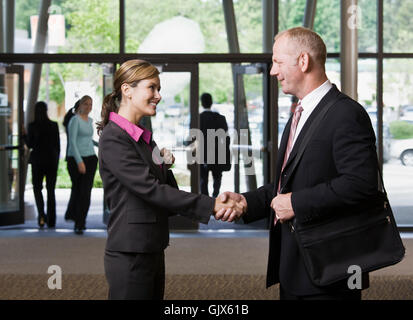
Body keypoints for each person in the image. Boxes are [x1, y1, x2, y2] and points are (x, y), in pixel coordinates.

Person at [219, 27, 379, 300]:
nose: (272, 71)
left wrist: (295, 203)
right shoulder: (300, 114)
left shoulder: (346, 114)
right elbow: (287, 185)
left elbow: (361, 185)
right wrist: (246, 202)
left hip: (330, 270)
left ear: (303, 62)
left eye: (278, 62)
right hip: (296, 267)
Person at [97, 59, 242, 300]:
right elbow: (151, 190)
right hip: (130, 252)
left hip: (149, 246)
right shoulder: (114, 137)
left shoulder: (141, 136)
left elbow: (161, 187)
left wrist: (163, 164)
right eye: (152, 87)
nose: (158, 95)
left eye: (159, 89)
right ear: (127, 90)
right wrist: (212, 205)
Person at [65, 95, 98, 235]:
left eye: (90, 104)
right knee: (79, 191)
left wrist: (100, 144)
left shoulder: (90, 120)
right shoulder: (75, 120)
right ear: (80, 105)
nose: (89, 107)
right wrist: (79, 162)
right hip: (76, 159)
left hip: (90, 158)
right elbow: (72, 142)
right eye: (86, 104)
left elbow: (88, 139)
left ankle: (81, 221)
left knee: (86, 192)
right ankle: (77, 221)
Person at [24, 101, 60, 228]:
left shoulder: (32, 126)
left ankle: (41, 216)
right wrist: (56, 160)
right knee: (51, 191)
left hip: (37, 161)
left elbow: (30, 145)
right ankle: (52, 220)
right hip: (51, 161)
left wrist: (24, 135)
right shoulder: (53, 125)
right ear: (46, 111)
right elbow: (57, 146)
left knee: (37, 188)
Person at [199, 93, 230, 198]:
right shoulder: (220, 118)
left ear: (201, 103)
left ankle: (206, 201)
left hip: (203, 154)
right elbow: (225, 135)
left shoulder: (198, 119)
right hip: (218, 153)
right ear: (211, 102)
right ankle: (215, 196)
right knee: (217, 177)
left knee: (203, 179)